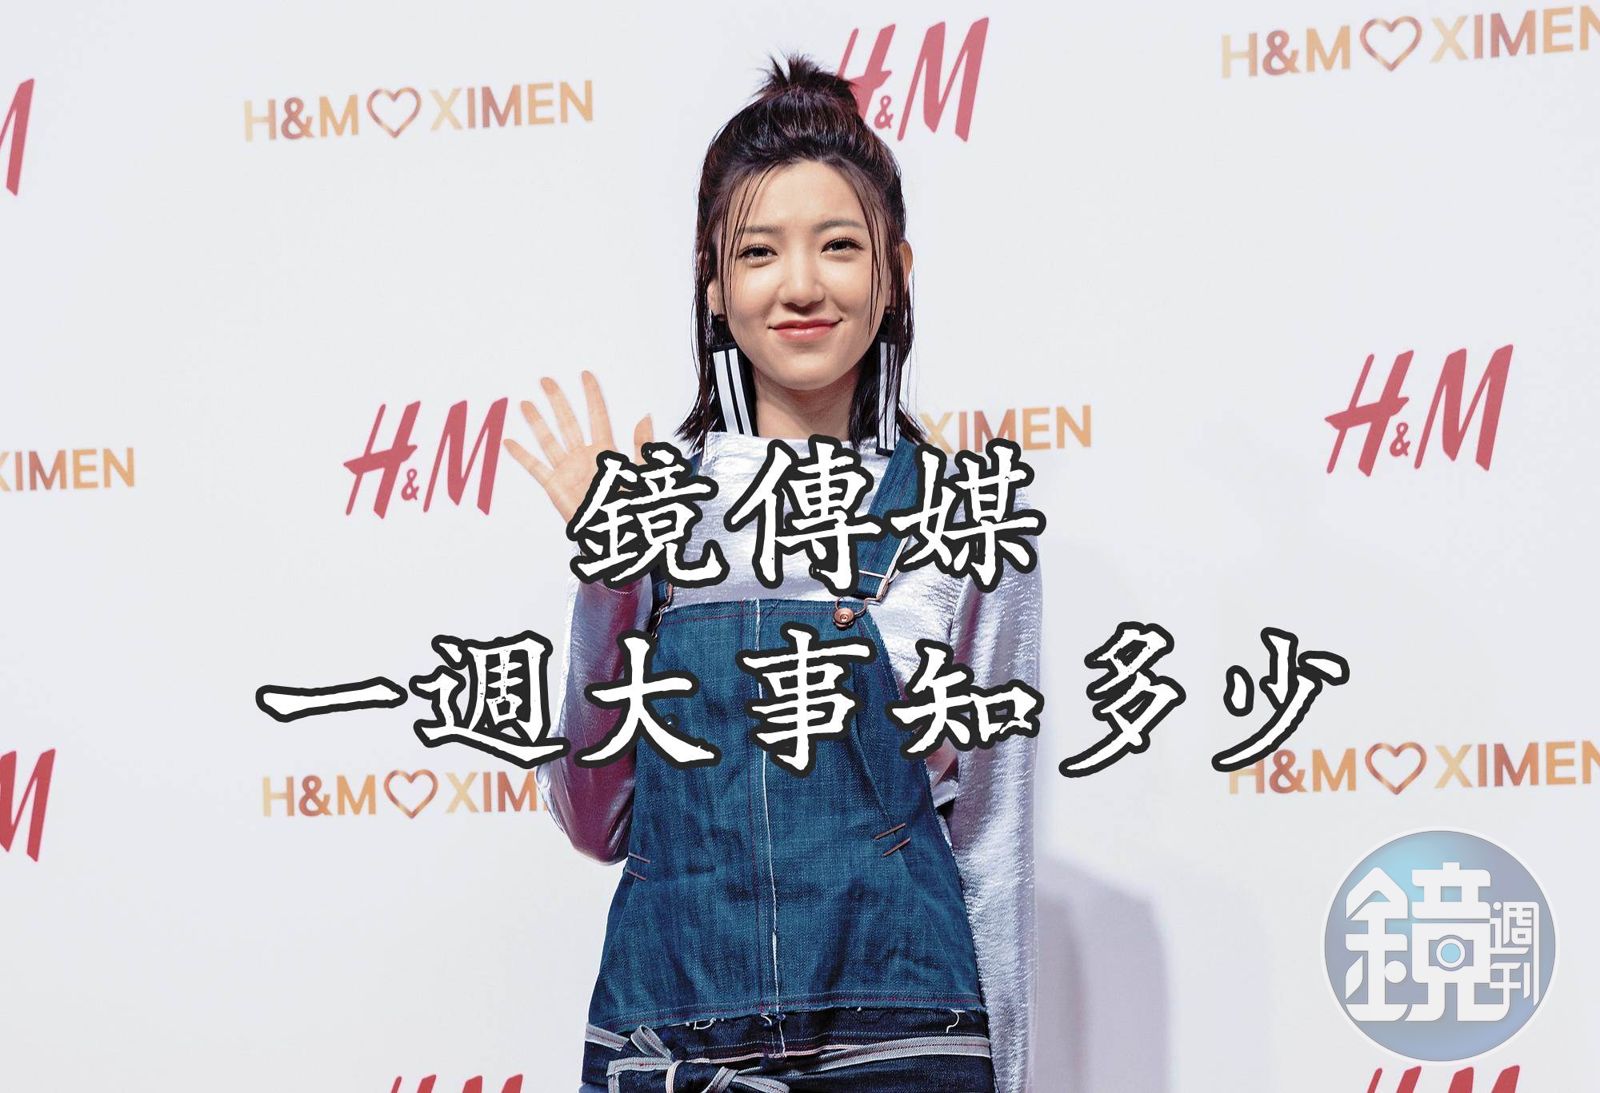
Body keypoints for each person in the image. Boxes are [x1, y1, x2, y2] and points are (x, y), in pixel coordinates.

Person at [504, 53, 1041, 1093]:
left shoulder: (961, 515)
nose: (800, 285)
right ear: (713, 284)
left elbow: (991, 845)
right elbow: (593, 818)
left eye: (839, 245)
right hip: (673, 1049)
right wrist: (611, 574)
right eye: (759, 251)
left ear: (895, 270)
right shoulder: (650, 501)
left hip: (901, 1051)